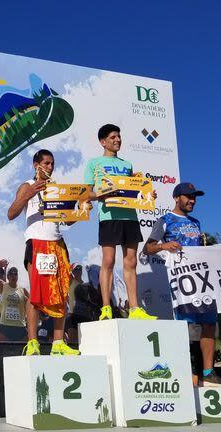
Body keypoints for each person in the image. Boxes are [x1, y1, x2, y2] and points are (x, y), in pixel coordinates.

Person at [144, 182, 221, 387]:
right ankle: (183, 372)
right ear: (177, 198)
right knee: (184, 327)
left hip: (203, 282)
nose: (192, 200)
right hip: (183, 284)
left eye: (195, 197)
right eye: (188, 196)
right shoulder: (165, 220)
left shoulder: (196, 222)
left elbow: (202, 251)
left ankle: (208, 372)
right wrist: (164, 245)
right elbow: (148, 248)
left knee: (209, 324)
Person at [6, 149, 79, 355]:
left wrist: (82, 208)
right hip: (37, 243)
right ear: (35, 165)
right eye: (46, 163)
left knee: (61, 292)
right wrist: (29, 194)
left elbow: (68, 220)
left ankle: (58, 344)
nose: (50, 167)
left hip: (57, 243)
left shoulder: (56, 189)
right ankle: (32, 342)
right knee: (36, 294)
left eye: (52, 164)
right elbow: (11, 213)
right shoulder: (27, 186)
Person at [84, 124, 156, 320]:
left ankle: (134, 308)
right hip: (109, 216)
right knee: (108, 261)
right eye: (113, 137)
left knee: (131, 262)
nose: (118, 140)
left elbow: (133, 191)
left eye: (119, 137)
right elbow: (87, 193)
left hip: (130, 216)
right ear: (103, 141)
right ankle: (106, 307)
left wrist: (146, 194)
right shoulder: (94, 163)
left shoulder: (127, 165)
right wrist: (101, 193)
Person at [0, 260, 28, 342]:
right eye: (11, 274)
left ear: (17, 277)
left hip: (19, 326)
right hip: (5, 325)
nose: (13, 275)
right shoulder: (3, 285)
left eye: (15, 274)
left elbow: (31, 304)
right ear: (7, 277)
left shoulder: (23, 290)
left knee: (25, 351)